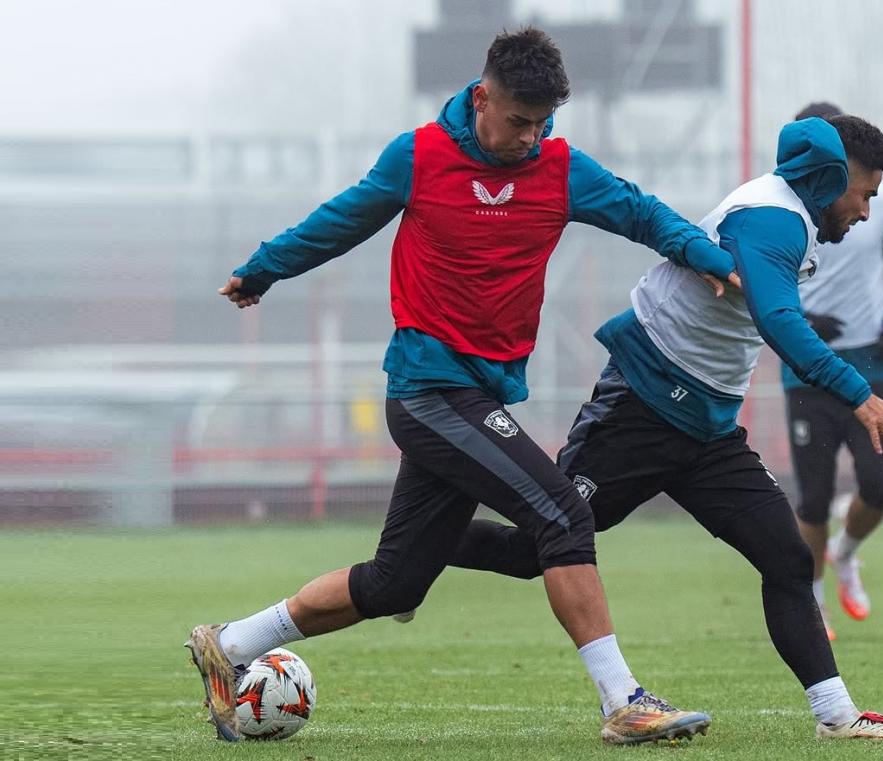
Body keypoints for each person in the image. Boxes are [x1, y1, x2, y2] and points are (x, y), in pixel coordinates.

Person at [186, 27, 721, 745]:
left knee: (395, 583)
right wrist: (263, 268)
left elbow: (642, 212)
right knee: (562, 516)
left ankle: (230, 643)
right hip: (428, 393)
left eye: (541, 123)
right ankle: (623, 700)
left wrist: (710, 257)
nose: (529, 137)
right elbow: (340, 221)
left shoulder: (561, 169)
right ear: (481, 97)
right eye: (517, 121)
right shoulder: (418, 157)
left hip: (477, 398)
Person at [451, 115, 883, 739]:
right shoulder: (771, 217)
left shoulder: (793, 218)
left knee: (786, 558)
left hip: (707, 429)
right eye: (864, 193)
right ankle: (417, 555)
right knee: (531, 551)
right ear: (833, 177)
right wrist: (858, 394)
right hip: (641, 409)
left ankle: (837, 717)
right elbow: (780, 321)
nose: (865, 212)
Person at [780, 102, 883, 640]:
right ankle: (813, 596)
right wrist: (798, 315)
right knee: (813, 498)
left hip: (873, 362)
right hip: (807, 369)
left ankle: (847, 552)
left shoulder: (882, 203)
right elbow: (757, 271)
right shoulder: (783, 205)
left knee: (880, 485)